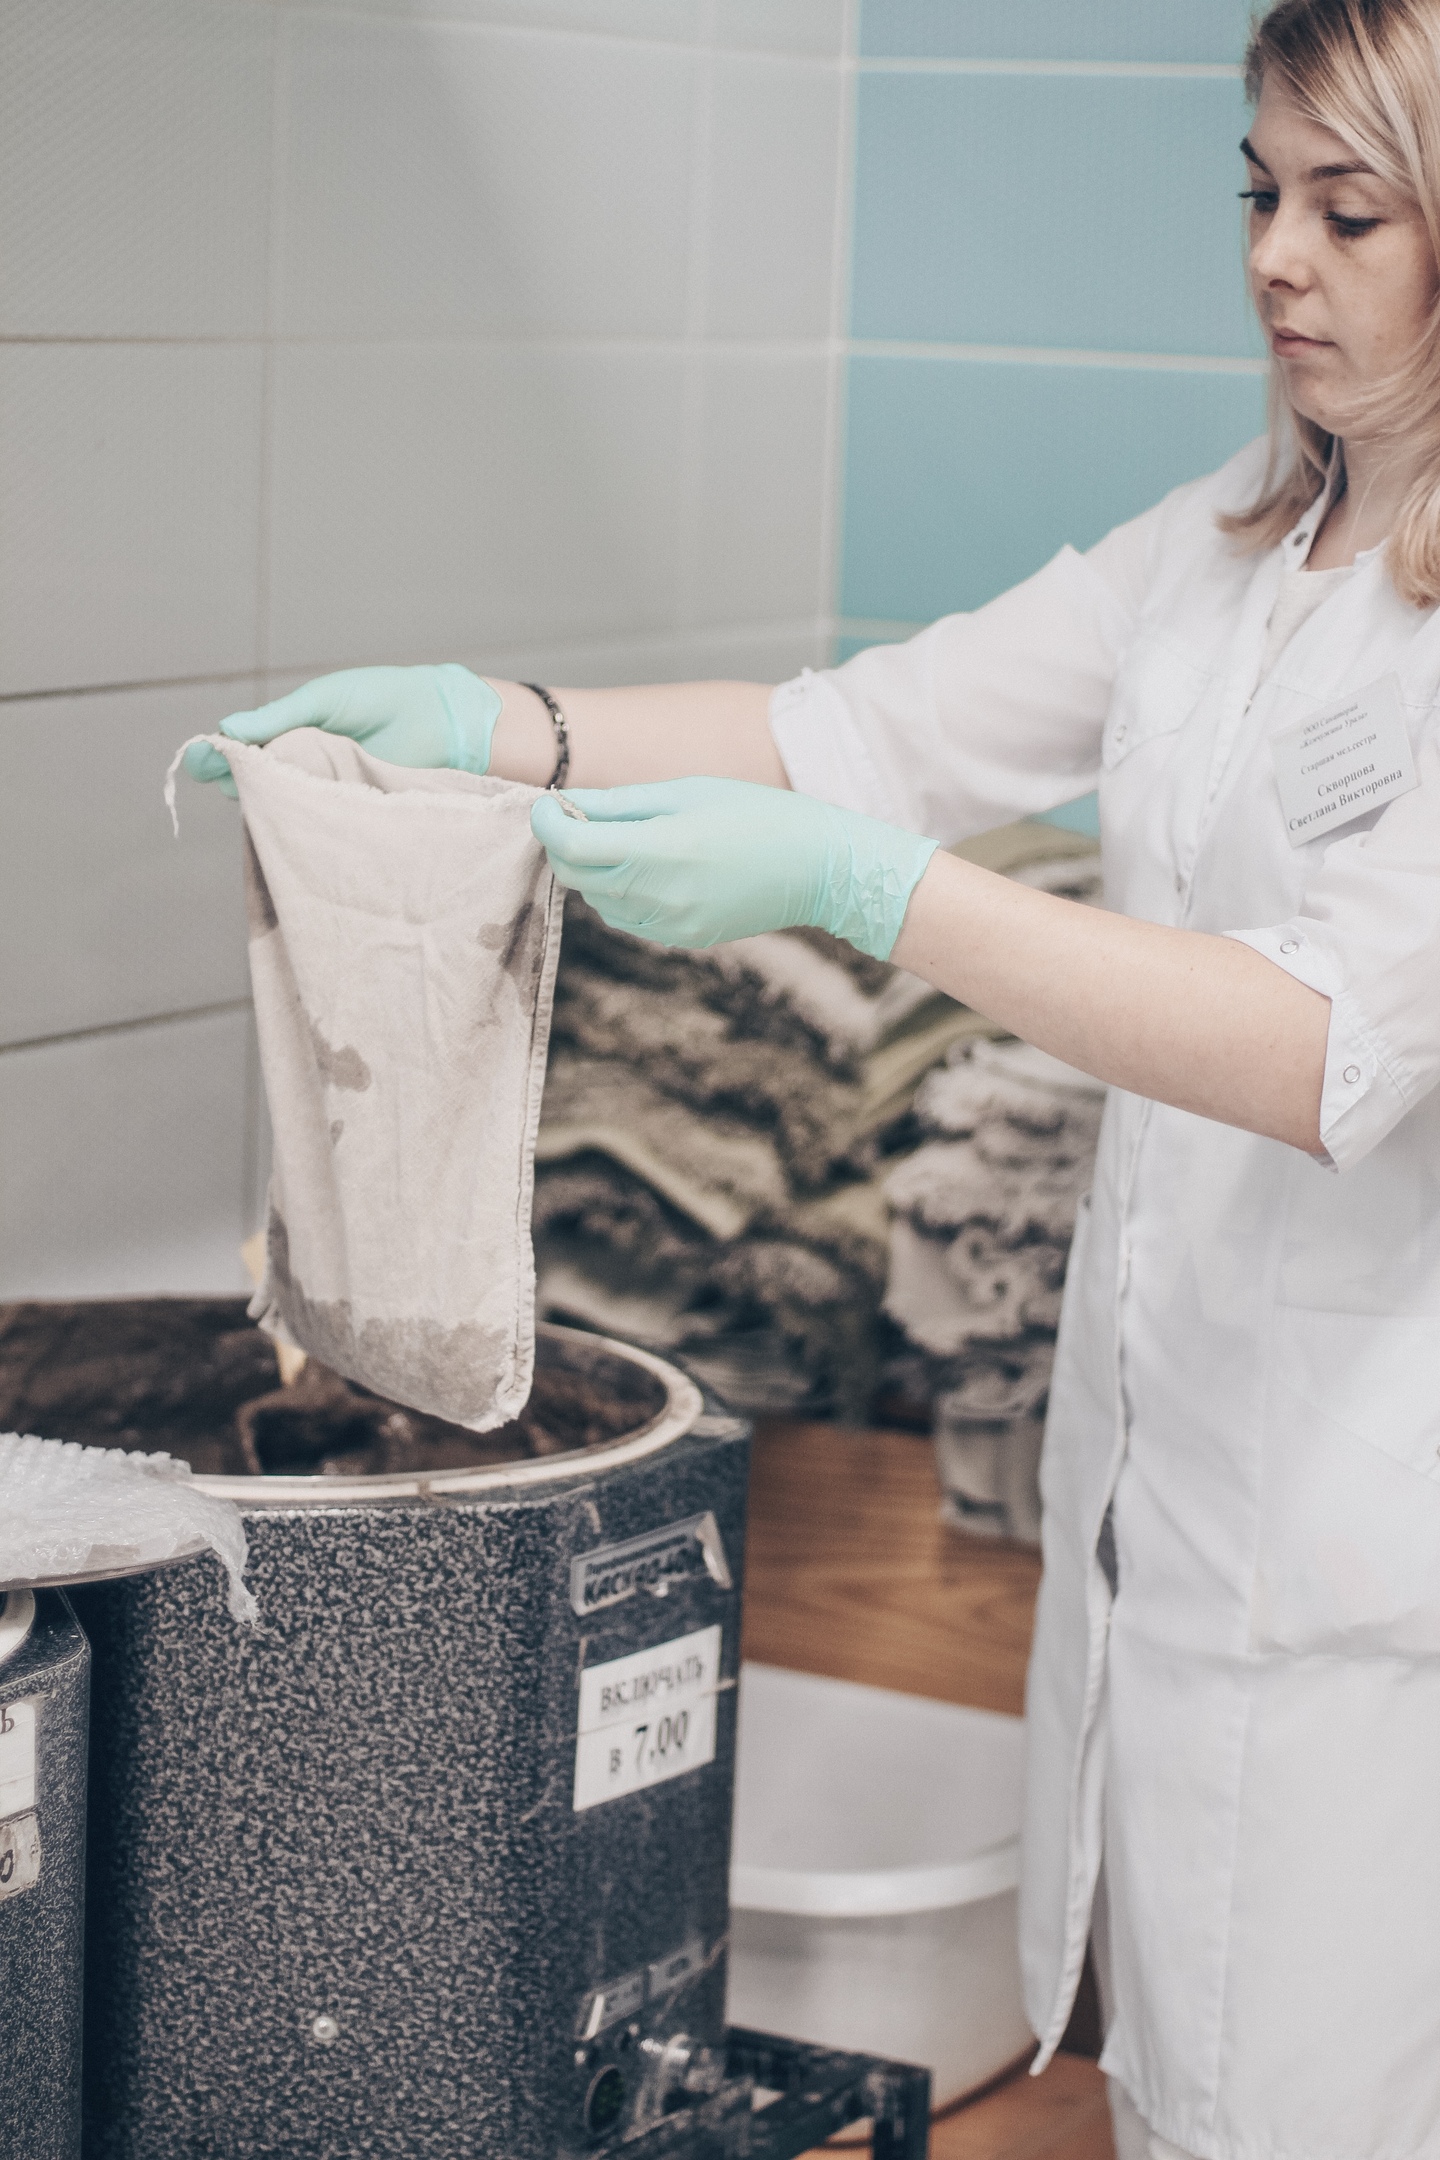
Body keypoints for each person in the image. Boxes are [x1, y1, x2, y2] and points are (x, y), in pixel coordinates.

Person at [187, 1, 1440, 2151]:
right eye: (1258, 193)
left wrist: (880, 899)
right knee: (1182, 2097)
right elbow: (864, 734)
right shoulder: (1236, 541)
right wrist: (497, 729)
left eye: (1350, 211)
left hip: (1367, 1561)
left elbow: (1324, 1044)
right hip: (1166, 1520)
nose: (1272, 258)